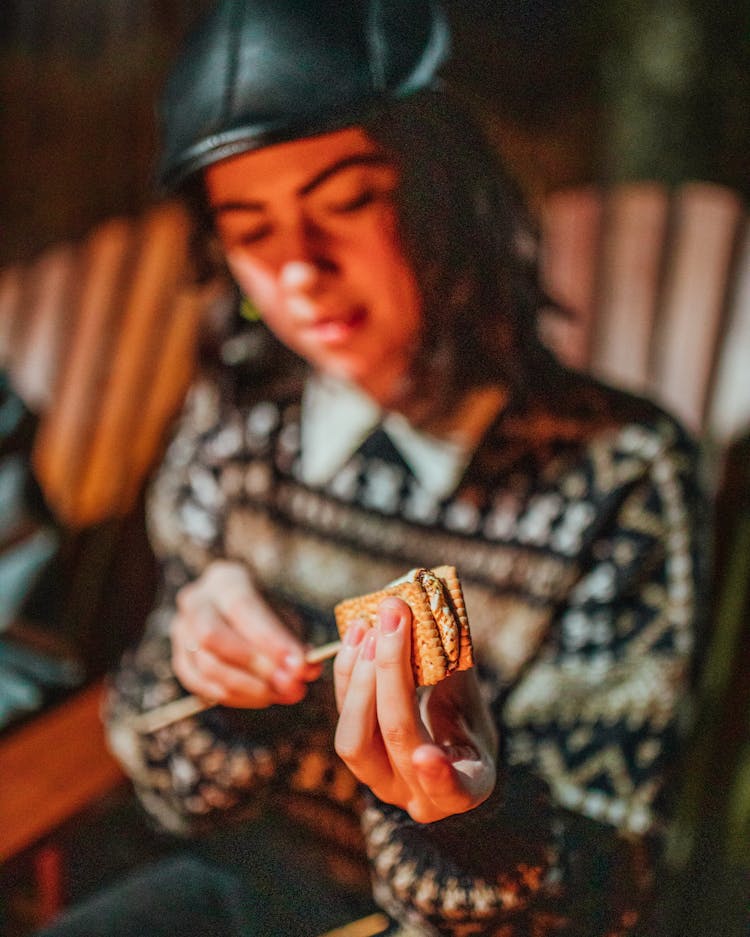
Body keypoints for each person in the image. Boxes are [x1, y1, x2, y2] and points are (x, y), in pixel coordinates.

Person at [38, 1, 707, 935]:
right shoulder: (239, 426)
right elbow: (165, 782)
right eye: (250, 226)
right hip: (238, 886)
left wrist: (464, 822)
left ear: (447, 191)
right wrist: (223, 706)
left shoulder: (621, 476)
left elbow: (603, 889)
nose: (301, 268)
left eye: (348, 199)